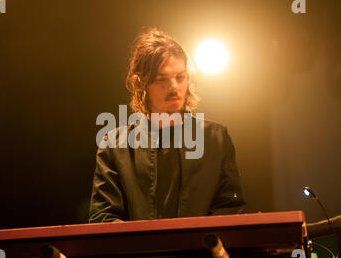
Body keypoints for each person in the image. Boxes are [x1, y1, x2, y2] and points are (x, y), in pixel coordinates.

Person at [88, 28, 245, 223]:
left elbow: (230, 208)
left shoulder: (216, 139)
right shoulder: (114, 144)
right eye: (162, 80)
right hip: (140, 253)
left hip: (200, 253)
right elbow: (103, 216)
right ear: (139, 84)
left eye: (180, 77)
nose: (174, 87)